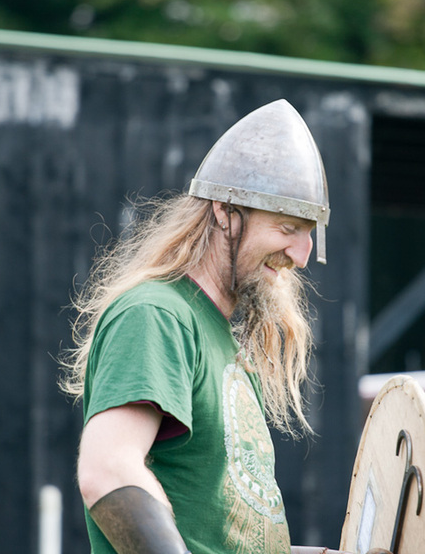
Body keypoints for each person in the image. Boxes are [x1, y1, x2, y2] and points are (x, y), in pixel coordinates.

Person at [61, 99, 349, 554]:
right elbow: (109, 472)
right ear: (224, 212)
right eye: (287, 228)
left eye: (309, 233)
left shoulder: (220, 336)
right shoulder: (157, 314)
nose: (302, 254)